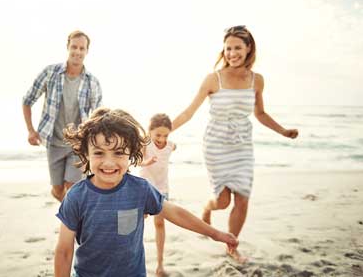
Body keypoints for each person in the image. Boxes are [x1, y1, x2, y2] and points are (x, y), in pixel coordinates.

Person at [54, 107, 238, 277]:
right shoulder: (77, 196)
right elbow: (64, 251)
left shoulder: (140, 190)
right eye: (99, 153)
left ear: (132, 153)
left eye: (118, 153)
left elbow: (175, 213)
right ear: (86, 153)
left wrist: (215, 234)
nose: (109, 162)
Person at [171, 25, 298, 263]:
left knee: (242, 197)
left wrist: (283, 131)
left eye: (237, 48)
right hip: (216, 145)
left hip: (242, 146)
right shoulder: (213, 78)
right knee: (223, 201)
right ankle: (208, 208)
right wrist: (166, 130)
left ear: (248, 48)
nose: (232, 53)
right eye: (228, 48)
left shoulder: (256, 80)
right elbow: (189, 112)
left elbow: (260, 114)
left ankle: (231, 245)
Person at [22, 30, 102, 202]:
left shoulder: (92, 82)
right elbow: (27, 100)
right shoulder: (50, 73)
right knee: (57, 191)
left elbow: (98, 117)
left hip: (78, 144)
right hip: (53, 143)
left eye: (82, 48)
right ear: (68, 47)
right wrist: (31, 131)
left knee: (71, 188)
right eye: (74, 47)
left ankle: (75, 223)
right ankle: (72, 215)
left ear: (87, 51)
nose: (77, 52)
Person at [139, 113, 176, 277]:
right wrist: (145, 162)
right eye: (158, 135)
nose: (161, 139)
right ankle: (131, 259)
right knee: (138, 222)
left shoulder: (171, 145)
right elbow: (137, 159)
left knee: (160, 224)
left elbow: (173, 146)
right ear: (150, 132)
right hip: (144, 188)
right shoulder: (146, 143)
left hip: (162, 189)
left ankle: (160, 265)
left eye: (165, 135)